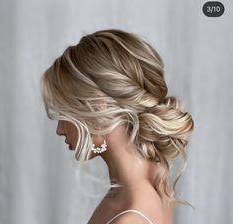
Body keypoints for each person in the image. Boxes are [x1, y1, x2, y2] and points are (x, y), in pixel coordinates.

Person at [40, 29, 194, 224]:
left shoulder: (130, 217)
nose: (60, 129)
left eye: (65, 112)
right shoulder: (155, 180)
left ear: (98, 108)